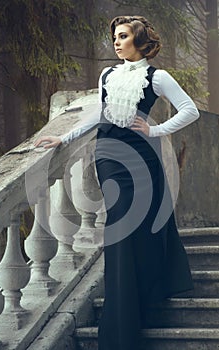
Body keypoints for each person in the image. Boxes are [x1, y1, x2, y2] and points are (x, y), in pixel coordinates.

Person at [35, 15, 200, 350]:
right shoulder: (108, 74)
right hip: (110, 155)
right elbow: (101, 113)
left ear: (139, 40)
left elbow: (190, 110)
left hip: (142, 158)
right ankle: (121, 319)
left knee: (140, 231)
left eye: (122, 36)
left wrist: (155, 130)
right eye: (114, 36)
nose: (115, 41)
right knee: (118, 229)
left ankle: (144, 302)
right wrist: (63, 138)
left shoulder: (158, 77)